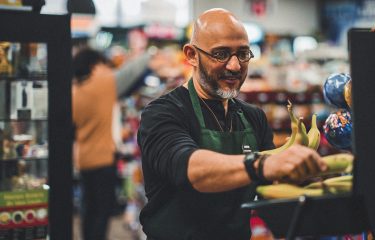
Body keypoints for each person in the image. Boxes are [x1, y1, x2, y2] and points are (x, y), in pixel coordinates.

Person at [137, 8, 328, 240]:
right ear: (191, 55)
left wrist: (304, 176)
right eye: (221, 54)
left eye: (243, 54)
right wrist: (260, 164)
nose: (235, 66)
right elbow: (190, 169)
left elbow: (270, 189)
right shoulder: (162, 113)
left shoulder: (253, 117)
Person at [72, 47, 168, 240]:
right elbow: (130, 73)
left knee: (88, 209)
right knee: (101, 211)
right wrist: (149, 55)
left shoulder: (75, 90)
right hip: (102, 158)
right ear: (94, 65)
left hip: (83, 157)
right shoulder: (102, 84)